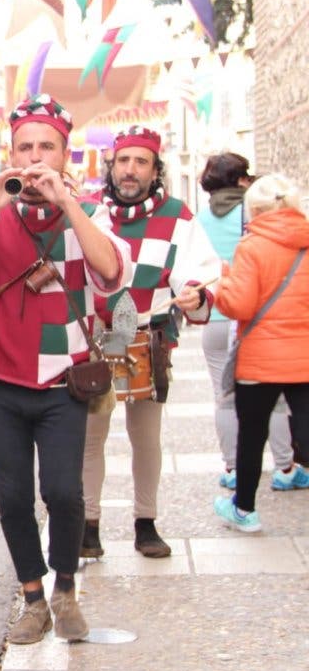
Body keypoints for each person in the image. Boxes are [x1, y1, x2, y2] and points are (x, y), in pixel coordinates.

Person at [0, 95, 133, 644]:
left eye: (47, 147)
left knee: (65, 493)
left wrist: (68, 205)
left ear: (66, 155)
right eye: (26, 146)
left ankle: (66, 587)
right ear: (11, 152)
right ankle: (33, 597)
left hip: (64, 380)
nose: (36, 156)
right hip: (0, 380)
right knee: (13, 497)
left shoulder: (88, 212)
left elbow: (113, 273)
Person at [81, 127, 220, 559]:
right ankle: (89, 527)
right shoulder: (87, 212)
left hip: (149, 335)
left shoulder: (178, 216)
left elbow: (198, 270)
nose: (130, 169)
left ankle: (146, 522)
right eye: (124, 161)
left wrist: (196, 291)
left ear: (155, 170)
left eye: (141, 162)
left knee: (146, 437)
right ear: (112, 165)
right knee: (90, 436)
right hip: (97, 337)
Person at [195, 154, 308, 491]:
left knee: (224, 397)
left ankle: (232, 467)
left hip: (218, 316)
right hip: (262, 321)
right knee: (277, 401)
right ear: (243, 181)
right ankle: (285, 467)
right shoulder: (253, 215)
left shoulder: (198, 219)